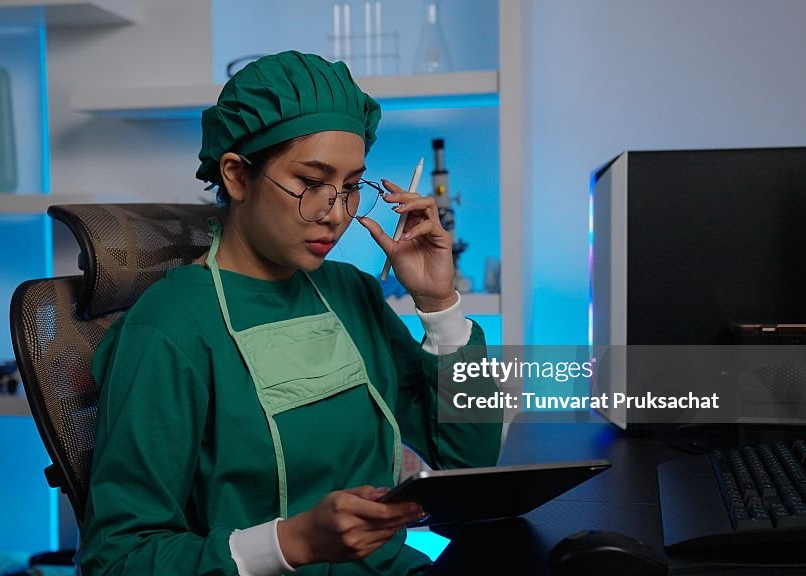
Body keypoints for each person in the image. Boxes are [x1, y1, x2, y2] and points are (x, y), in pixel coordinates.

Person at [80, 50, 502, 576]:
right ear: (236, 175)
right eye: (310, 183)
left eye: (351, 188)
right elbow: (117, 560)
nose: (336, 214)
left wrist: (440, 306)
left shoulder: (352, 293)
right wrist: (291, 542)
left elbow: (468, 464)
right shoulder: (171, 328)